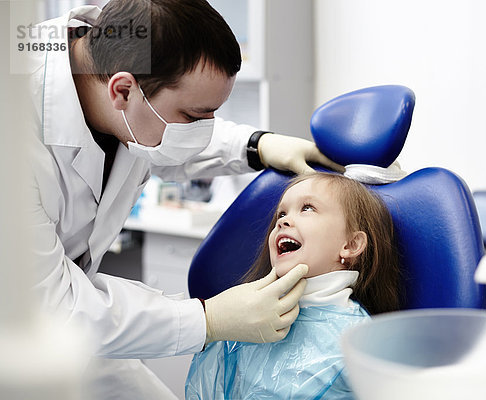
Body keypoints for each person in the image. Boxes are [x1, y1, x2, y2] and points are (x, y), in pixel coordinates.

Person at [26, 0, 341, 398]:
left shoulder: (113, 74)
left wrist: (257, 145)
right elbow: (52, 306)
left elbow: (164, 134)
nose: (204, 131)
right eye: (194, 118)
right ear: (122, 90)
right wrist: (208, 320)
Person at [185, 172, 406, 399]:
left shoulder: (360, 343)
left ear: (351, 245)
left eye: (307, 208)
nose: (282, 221)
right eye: (282, 213)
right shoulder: (243, 321)